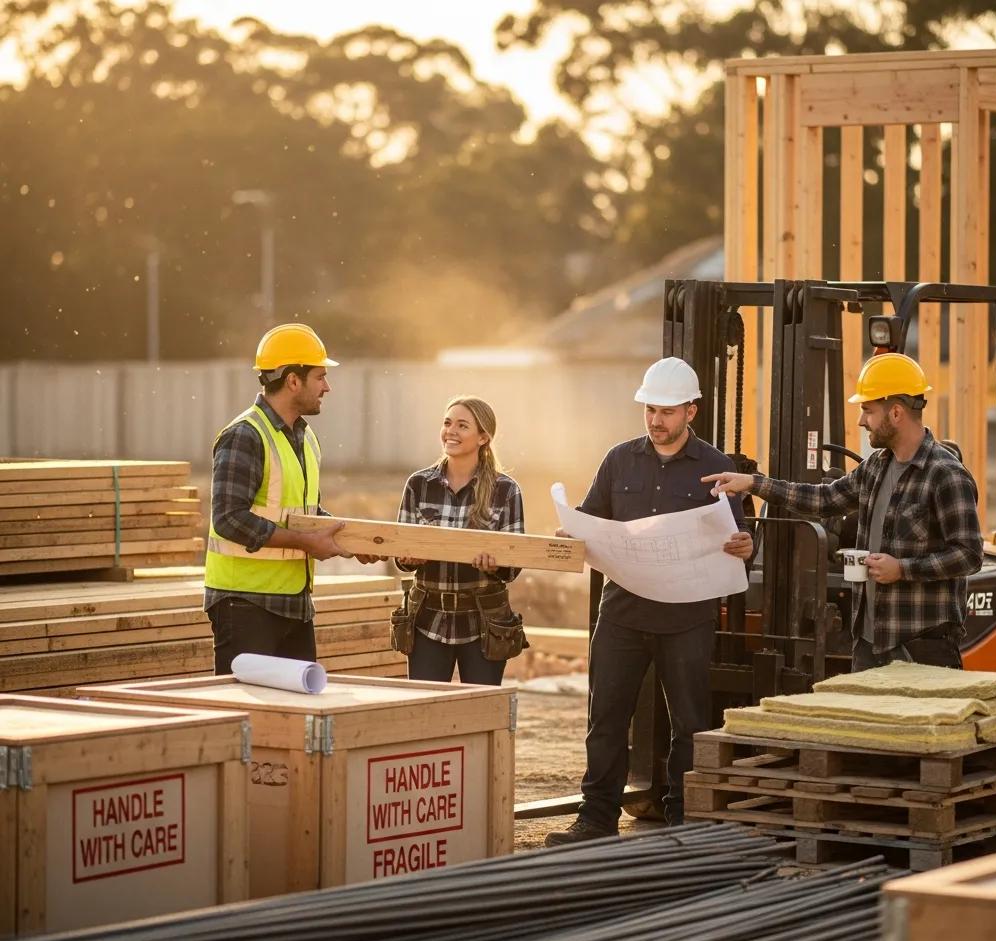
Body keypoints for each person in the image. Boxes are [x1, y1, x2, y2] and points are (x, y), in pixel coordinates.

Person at [544, 357, 753, 845]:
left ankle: (683, 819)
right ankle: (596, 818)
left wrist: (745, 545)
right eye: (649, 410)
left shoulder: (716, 468)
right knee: (606, 716)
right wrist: (571, 530)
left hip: (687, 617)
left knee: (690, 720)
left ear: (691, 412)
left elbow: (741, 537)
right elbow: (594, 517)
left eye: (666, 412)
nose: (656, 421)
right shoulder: (619, 459)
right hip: (623, 612)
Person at [702, 352, 983, 673]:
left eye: (867, 410)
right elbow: (824, 499)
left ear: (895, 412)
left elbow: (969, 555)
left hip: (920, 644)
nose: (862, 420)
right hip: (869, 640)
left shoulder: (945, 474)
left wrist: (902, 569)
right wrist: (754, 482)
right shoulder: (877, 467)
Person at [204, 323, 372, 673]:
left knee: (297, 715)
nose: (327, 387)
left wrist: (351, 538)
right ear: (293, 380)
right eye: (320, 377)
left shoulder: (304, 438)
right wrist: (306, 543)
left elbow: (305, 512)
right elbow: (229, 518)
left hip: (293, 604)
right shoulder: (245, 436)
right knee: (249, 717)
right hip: (246, 605)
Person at [391, 396, 526, 686]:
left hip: (483, 621)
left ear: (483, 437)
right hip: (428, 619)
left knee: (480, 713)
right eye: (447, 422)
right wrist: (408, 557)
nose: (451, 431)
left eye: (462, 425)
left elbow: (514, 566)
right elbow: (399, 552)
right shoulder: (418, 485)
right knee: (425, 710)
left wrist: (495, 565)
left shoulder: (506, 490)